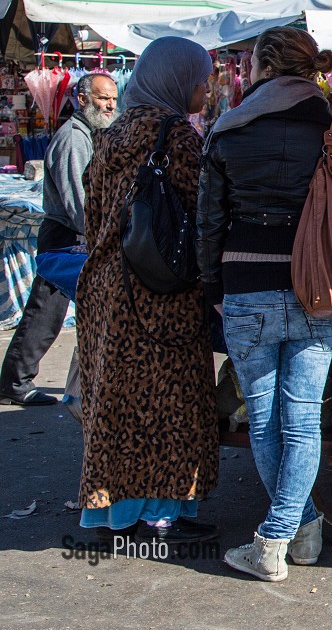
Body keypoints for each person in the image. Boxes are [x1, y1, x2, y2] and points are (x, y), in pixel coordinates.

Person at [198, 26, 332, 582]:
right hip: (318, 290)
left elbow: (209, 223)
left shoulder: (225, 131)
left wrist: (215, 289)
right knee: (302, 422)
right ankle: (293, 534)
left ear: (260, 67)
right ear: (312, 71)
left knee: (264, 421)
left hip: (245, 289)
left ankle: (280, 537)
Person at [74, 37, 220, 544]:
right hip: (158, 297)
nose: (208, 87)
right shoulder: (177, 136)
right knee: (166, 406)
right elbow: (200, 219)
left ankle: (110, 515)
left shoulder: (111, 137)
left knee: (114, 407)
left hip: (104, 289)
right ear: (177, 80)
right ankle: (160, 518)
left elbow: (92, 218)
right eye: (202, 77)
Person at [0, 73, 118, 406]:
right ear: (82, 99)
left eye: (112, 98)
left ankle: (18, 379)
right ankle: (15, 382)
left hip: (77, 232)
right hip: (67, 234)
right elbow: (78, 200)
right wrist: (99, 233)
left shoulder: (91, 135)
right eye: (102, 98)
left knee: (58, 310)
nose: (110, 105)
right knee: (46, 311)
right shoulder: (73, 139)